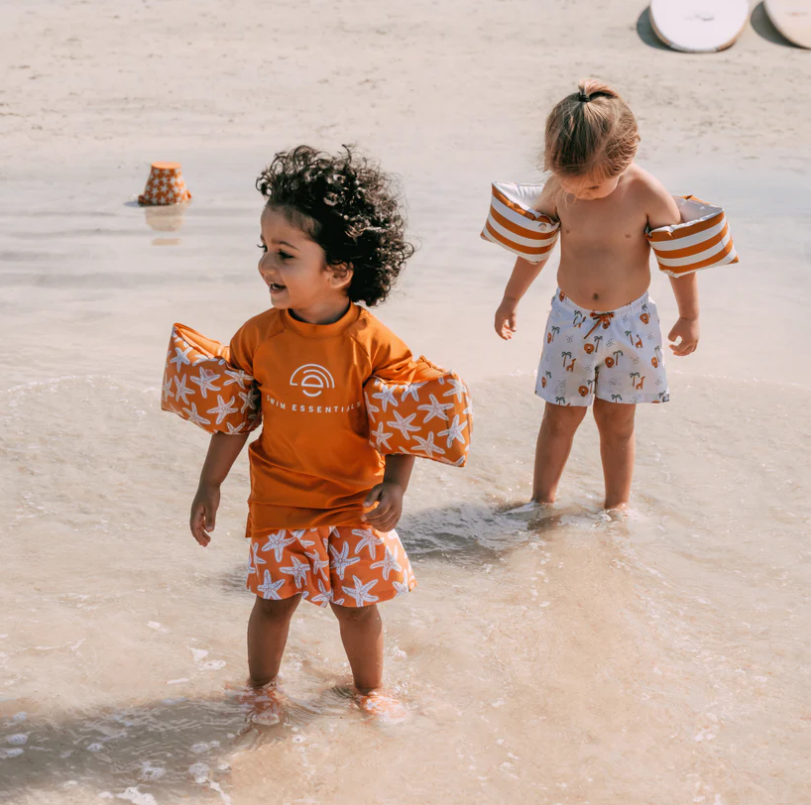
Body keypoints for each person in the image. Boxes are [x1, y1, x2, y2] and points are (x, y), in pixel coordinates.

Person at [189, 145, 422, 719]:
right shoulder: (257, 336)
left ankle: (370, 691)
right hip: (280, 499)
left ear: (339, 271)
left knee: (357, 609)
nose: (267, 265)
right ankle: (261, 689)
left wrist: (395, 487)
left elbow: (402, 422)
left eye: (285, 254)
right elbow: (234, 418)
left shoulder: (375, 343)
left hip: (354, 501)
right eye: (264, 249)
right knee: (273, 603)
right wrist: (209, 484)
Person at [492, 80, 699, 511]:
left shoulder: (648, 194)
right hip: (570, 319)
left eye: (591, 188)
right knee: (559, 418)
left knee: (617, 423)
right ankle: (540, 503)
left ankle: (615, 509)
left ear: (626, 158)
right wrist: (510, 300)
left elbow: (678, 260)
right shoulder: (558, 189)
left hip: (632, 323)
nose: (581, 194)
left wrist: (689, 316)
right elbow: (534, 250)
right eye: (573, 186)